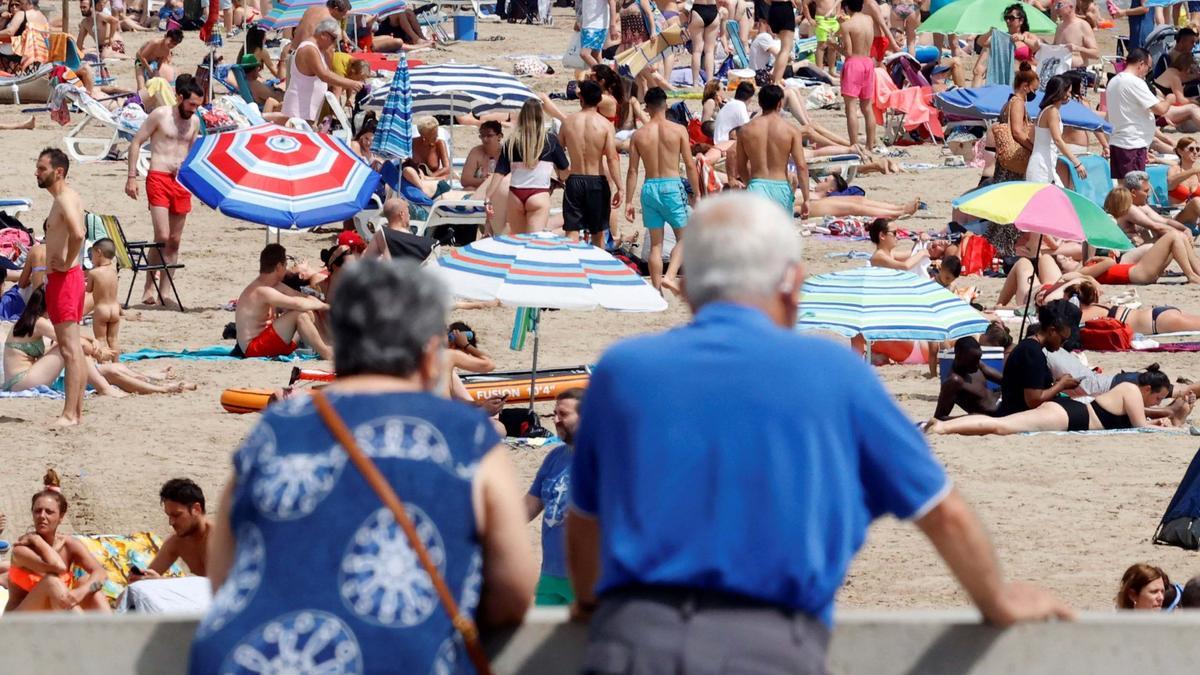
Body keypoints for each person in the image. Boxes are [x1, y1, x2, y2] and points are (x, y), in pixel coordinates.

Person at [565, 192, 1072, 672]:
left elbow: (586, 520)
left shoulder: (624, 371)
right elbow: (943, 514)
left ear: (690, 283)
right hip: (769, 644)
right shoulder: (833, 372)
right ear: (791, 281)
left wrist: (589, 605)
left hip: (633, 642)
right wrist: (997, 600)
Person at [189, 259, 536, 672]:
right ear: (429, 354)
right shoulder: (466, 436)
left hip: (255, 658)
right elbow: (514, 590)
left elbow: (224, 574)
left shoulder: (278, 429)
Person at [125, 75, 203, 308]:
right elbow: (136, 142)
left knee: (175, 240)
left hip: (180, 182)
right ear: (179, 97)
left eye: (197, 105)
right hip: (158, 176)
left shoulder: (195, 122)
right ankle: (149, 285)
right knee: (162, 236)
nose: (194, 109)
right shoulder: (161, 115)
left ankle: (165, 292)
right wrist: (131, 177)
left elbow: (191, 152)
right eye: (191, 104)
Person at [927, 368, 1178, 434]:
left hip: (1070, 412)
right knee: (1002, 426)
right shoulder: (1131, 390)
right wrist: (1162, 422)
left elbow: (1142, 417)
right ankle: (943, 426)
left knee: (1002, 425)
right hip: (1069, 416)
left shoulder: (1130, 392)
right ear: (1147, 388)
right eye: (1157, 396)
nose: (1157, 402)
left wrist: (1165, 417)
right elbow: (1139, 426)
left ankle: (947, 425)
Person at [625, 87, 699, 293]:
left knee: (655, 245)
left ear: (647, 108)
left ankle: (657, 290)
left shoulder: (639, 135)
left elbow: (632, 171)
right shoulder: (678, 130)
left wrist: (628, 201)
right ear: (665, 105)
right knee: (684, 238)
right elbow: (690, 165)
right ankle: (670, 275)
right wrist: (698, 192)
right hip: (672, 185)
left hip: (649, 187)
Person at [5, 470, 110, 612]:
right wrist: (37, 540)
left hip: (52, 617)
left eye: (49, 512)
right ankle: (84, 629)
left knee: (86, 582)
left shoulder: (69, 544)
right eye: (38, 511)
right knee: (51, 582)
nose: (42, 516)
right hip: (20, 621)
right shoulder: (22, 550)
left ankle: (111, 631)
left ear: (61, 517)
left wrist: (83, 591)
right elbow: (58, 567)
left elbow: (100, 572)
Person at [37, 148, 87, 427]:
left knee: (68, 349)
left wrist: (67, 262)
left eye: (42, 168)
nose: (37, 173)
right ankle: (75, 412)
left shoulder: (65, 198)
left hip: (65, 279)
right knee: (73, 349)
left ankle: (70, 414)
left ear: (58, 172)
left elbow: (79, 233)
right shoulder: (65, 197)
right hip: (67, 278)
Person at [526, 389, 583, 607]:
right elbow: (531, 504)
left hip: (587, 578)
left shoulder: (605, 458)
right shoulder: (555, 457)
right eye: (554, 414)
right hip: (551, 574)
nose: (556, 420)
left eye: (563, 414)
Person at [234, 244, 333, 360]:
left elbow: (302, 297)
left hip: (268, 340)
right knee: (299, 314)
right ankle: (326, 353)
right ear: (279, 266)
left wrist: (320, 304)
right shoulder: (261, 290)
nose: (287, 269)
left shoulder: (273, 285)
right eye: (285, 265)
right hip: (253, 348)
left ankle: (329, 345)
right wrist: (327, 307)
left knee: (310, 309)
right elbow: (297, 303)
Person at [559, 81, 623, 248]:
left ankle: (571, 271)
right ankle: (597, 272)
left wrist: (561, 174)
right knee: (598, 233)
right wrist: (620, 187)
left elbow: (558, 151)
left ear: (581, 98)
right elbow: (612, 158)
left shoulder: (568, 122)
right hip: (596, 180)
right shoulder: (605, 125)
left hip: (574, 179)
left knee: (571, 232)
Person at [493, 99, 569, 234]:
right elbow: (565, 172)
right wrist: (558, 178)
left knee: (519, 242)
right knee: (534, 244)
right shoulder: (549, 141)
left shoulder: (511, 142)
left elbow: (499, 173)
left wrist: (488, 198)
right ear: (541, 116)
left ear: (522, 116)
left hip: (516, 193)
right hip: (538, 194)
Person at [733, 84, 809, 218]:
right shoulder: (791, 131)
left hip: (756, 185)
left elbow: (741, 166)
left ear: (760, 103)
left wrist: (750, 184)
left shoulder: (745, 130)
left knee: (756, 234)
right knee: (780, 234)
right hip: (780, 186)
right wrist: (806, 199)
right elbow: (801, 166)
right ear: (780, 104)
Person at [995, 301, 1079, 417]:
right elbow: (1034, 401)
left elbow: (1030, 384)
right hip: (1019, 414)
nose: (1062, 345)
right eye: (1062, 340)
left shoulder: (1029, 346)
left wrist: (1056, 384)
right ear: (1052, 331)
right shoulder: (1033, 353)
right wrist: (1061, 385)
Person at [126, 478, 211, 580]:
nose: (171, 522)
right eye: (169, 516)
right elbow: (151, 574)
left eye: (177, 515)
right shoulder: (177, 541)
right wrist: (141, 579)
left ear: (196, 509)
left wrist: (162, 581)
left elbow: (224, 586)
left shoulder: (223, 539)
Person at [281, 19, 363, 124]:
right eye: (333, 39)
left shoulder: (317, 48)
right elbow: (324, 75)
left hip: (306, 108)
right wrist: (351, 83)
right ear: (323, 34)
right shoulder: (309, 49)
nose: (334, 43)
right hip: (299, 108)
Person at [1106, 48, 1171, 179]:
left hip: (1118, 141)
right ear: (1141, 64)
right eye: (1149, 67)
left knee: (1123, 189)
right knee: (1135, 189)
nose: (1148, 72)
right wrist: (1169, 99)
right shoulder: (1134, 82)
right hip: (1132, 144)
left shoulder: (1114, 81)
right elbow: (1160, 109)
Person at [1026, 75, 1087, 184]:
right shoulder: (1052, 111)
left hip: (1044, 164)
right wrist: (1076, 163)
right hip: (1042, 167)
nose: (1069, 95)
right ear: (1060, 91)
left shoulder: (1044, 110)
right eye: (1068, 92)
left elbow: (1032, 137)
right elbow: (1057, 140)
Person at [933, 336, 1002, 419]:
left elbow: (1006, 381)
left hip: (1003, 401)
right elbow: (939, 417)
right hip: (998, 413)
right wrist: (970, 417)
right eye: (973, 361)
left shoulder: (974, 363)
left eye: (978, 359)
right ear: (958, 355)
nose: (977, 365)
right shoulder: (955, 381)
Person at [991, 69, 1040, 184]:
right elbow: (1017, 132)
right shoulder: (1018, 102)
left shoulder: (1009, 102)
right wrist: (1033, 148)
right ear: (1025, 86)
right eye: (1034, 89)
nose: (1035, 93)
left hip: (1007, 156)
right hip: (1015, 156)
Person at [841, 0, 878, 151]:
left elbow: (848, 52)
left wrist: (833, 45)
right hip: (868, 62)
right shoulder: (868, 20)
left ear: (847, 7)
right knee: (867, 107)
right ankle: (870, 144)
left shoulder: (847, 25)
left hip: (854, 64)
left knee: (850, 108)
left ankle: (854, 145)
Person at [86, 238, 120, 355]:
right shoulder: (114, 269)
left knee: (101, 339)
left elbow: (89, 289)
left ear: (99, 253)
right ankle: (116, 364)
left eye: (92, 255)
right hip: (115, 309)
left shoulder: (94, 273)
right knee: (113, 339)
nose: (91, 258)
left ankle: (103, 365)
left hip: (101, 310)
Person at [1053, 0, 1098, 70]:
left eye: (1059, 5)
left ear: (1070, 7)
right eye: (1055, 5)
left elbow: (1096, 54)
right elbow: (1055, 49)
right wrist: (1043, 44)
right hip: (1059, 69)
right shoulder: (1059, 27)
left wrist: (1077, 48)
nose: (1056, 8)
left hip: (1077, 72)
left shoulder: (1083, 25)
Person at [1166, 136, 1200, 224]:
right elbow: (1170, 182)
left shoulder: (1198, 173)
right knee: (1196, 200)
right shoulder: (1174, 169)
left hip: (1196, 217)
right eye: (1191, 149)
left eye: (1198, 149)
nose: (1195, 152)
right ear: (1180, 151)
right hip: (1177, 216)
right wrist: (1193, 171)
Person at [713, 81, 753, 147]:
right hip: (724, 143)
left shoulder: (730, 104)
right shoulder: (740, 105)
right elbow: (748, 130)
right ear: (750, 98)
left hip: (719, 140)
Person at [411, 116, 451, 180]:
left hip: (433, 178)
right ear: (423, 136)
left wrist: (430, 177)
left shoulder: (439, 143)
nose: (437, 136)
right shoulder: (412, 143)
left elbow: (447, 168)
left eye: (437, 133)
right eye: (434, 135)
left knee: (449, 176)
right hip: (416, 178)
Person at [577, 0, 610, 67]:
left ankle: (603, 73)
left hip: (597, 25)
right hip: (587, 24)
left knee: (584, 54)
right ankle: (602, 75)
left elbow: (612, 3)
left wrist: (613, 25)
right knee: (596, 55)